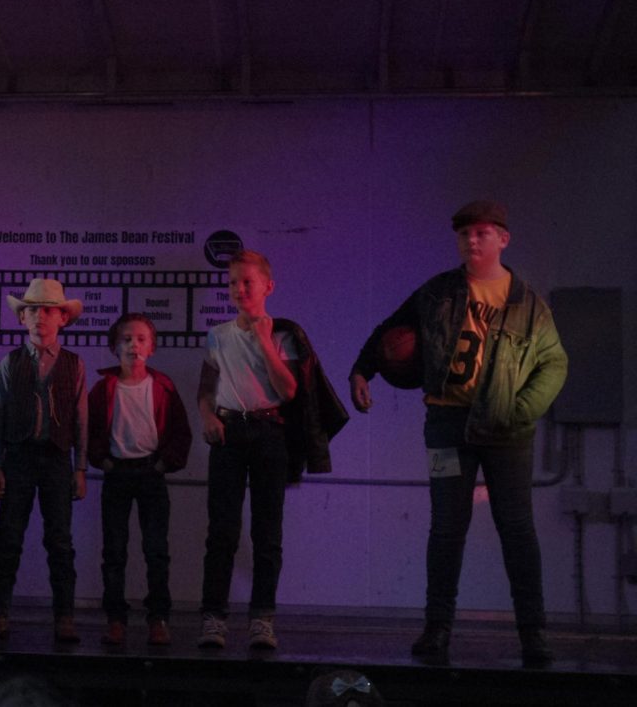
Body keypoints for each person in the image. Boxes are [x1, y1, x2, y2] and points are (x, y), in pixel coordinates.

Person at [349, 200, 567, 666]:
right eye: (465, 233)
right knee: (447, 528)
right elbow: (390, 329)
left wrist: (521, 409)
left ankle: (533, 633)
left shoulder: (526, 302)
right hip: (447, 424)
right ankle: (437, 629)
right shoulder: (437, 292)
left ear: (503, 239)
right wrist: (362, 370)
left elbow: (554, 363)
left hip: (506, 430)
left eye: (482, 232)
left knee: (517, 529)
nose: (472, 240)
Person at [197, 250, 347, 651]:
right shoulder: (218, 335)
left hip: (269, 434)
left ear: (268, 286)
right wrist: (208, 417)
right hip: (229, 433)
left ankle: (262, 619)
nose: (239, 289)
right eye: (232, 283)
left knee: (267, 533)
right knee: (222, 531)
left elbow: (288, 390)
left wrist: (263, 340)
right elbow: (205, 390)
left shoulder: (284, 335)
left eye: (247, 281)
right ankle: (213, 618)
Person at [0, 279, 88, 643]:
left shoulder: (74, 364)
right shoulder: (11, 362)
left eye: (49, 310)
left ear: (62, 319)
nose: (40, 317)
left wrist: (81, 467)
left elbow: (81, 420)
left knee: (60, 541)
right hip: (18, 458)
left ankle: (65, 617)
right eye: (33, 310)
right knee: (8, 538)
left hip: (56, 458)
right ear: (22, 318)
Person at [88, 313, 192, 646]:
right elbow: (87, 430)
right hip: (117, 473)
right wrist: (100, 460)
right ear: (114, 346)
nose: (134, 344)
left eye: (141, 338)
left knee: (156, 550)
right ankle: (115, 619)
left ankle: (158, 618)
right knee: (114, 551)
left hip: (150, 474)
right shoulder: (103, 388)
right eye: (127, 339)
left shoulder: (162, 386)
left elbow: (181, 431)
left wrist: (164, 465)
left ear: (152, 346)